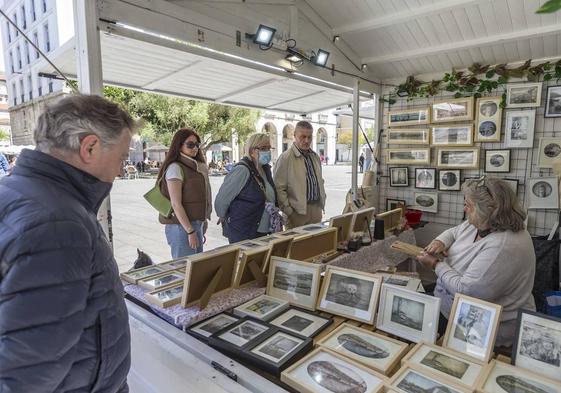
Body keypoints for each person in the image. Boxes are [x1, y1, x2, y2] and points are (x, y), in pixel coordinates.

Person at [0, 95, 137, 392]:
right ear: (89, 147)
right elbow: (28, 372)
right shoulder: (59, 223)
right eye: (122, 158)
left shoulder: (17, 190)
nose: (120, 170)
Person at [417, 176, 535, 347]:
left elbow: (467, 291)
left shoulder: (504, 245)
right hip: (453, 310)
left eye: (469, 206)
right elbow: (454, 232)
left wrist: (436, 264)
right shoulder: (480, 223)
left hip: (485, 329)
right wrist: (440, 241)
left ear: (486, 210)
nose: (465, 209)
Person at [215, 133, 281, 243]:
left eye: (269, 148)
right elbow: (221, 200)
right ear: (251, 151)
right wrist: (222, 216)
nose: (268, 151)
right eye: (263, 148)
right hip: (244, 231)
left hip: (264, 230)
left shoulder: (265, 169)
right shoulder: (242, 170)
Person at [157, 128, 212, 258]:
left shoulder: (195, 167)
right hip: (181, 227)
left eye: (197, 144)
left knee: (195, 267)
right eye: (190, 144)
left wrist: (202, 221)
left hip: (194, 225)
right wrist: (190, 231)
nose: (195, 148)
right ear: (179, 145)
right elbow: (176, 204)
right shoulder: (175, 168)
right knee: (184, 269)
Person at [274, 120, 326, 229]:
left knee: (317, 244)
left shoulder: (315, 157)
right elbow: (279, 188)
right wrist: (289, 212)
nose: (307, 140)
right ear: (295, 136)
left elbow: (320, 181)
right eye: (302, 137)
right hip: (296, 213)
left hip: (316, 210)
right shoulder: (285, 158)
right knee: (297, 245)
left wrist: (321, 203)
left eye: (309, 137)